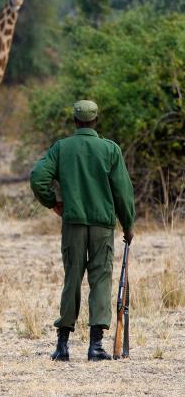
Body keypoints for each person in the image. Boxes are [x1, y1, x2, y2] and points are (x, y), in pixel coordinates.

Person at [30, 100, 135, 362]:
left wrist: (52, 203)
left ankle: (63, 346)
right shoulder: (110, 149)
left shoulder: (62, 148)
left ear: (75, 121)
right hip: (102, 226)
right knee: (100, 279)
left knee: (72, 279)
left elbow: (37, 177)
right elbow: (122, 191)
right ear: (96, 120)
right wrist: (128, 224)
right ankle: (96, 347)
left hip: (73, 224)